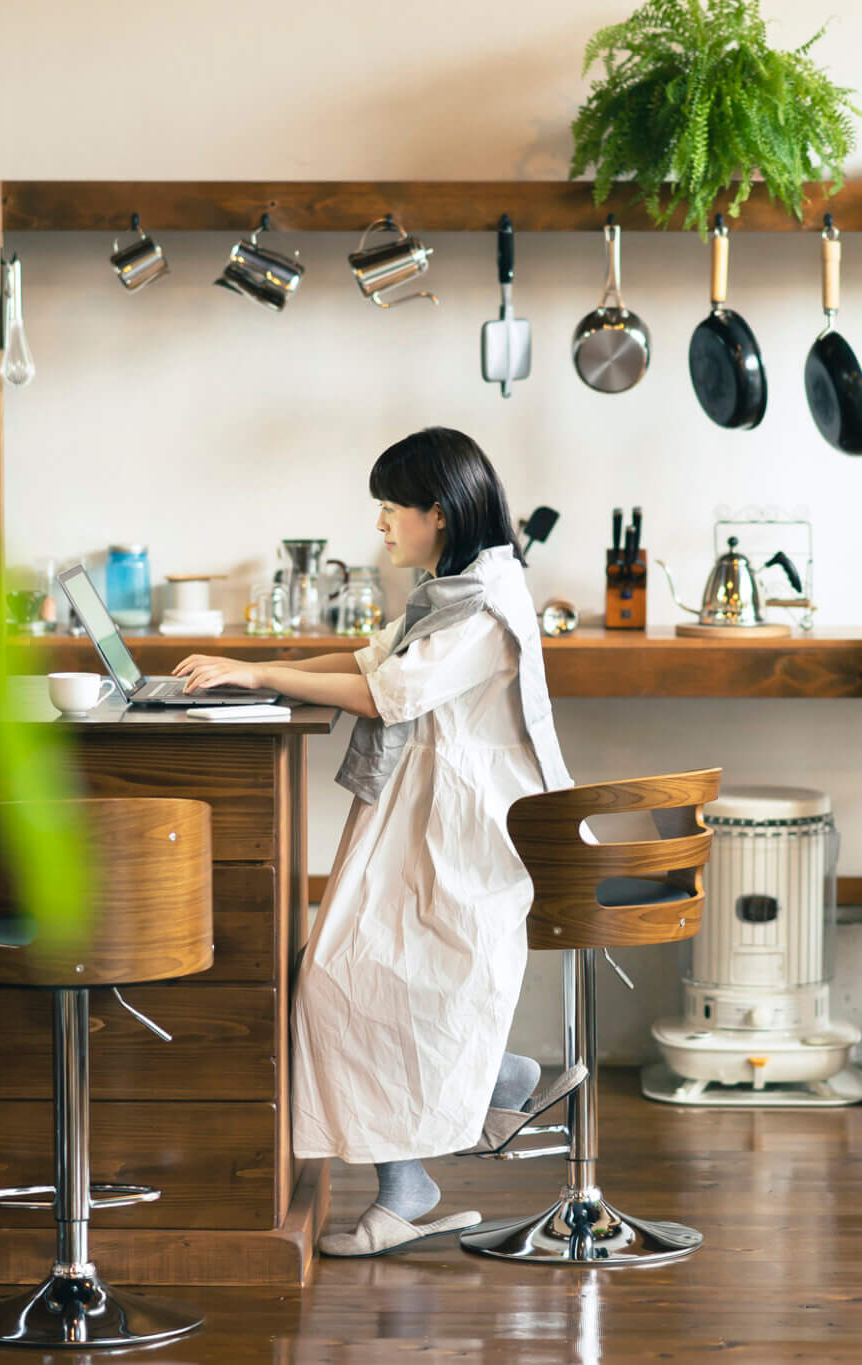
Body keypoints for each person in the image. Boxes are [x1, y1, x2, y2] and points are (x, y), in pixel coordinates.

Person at [175, 427, 584, 1257]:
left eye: (391, 509)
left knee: (344, 978)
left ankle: (422, 1169)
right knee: (358, 975)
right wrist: (253, 665)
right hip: (427, 817)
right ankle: (479, 1100)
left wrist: (260, 675)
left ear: (438, 513)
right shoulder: (461, 584)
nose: (382, 525)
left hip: (466, 833)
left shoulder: (483, 606)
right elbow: (378, 655)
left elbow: (388, 691)